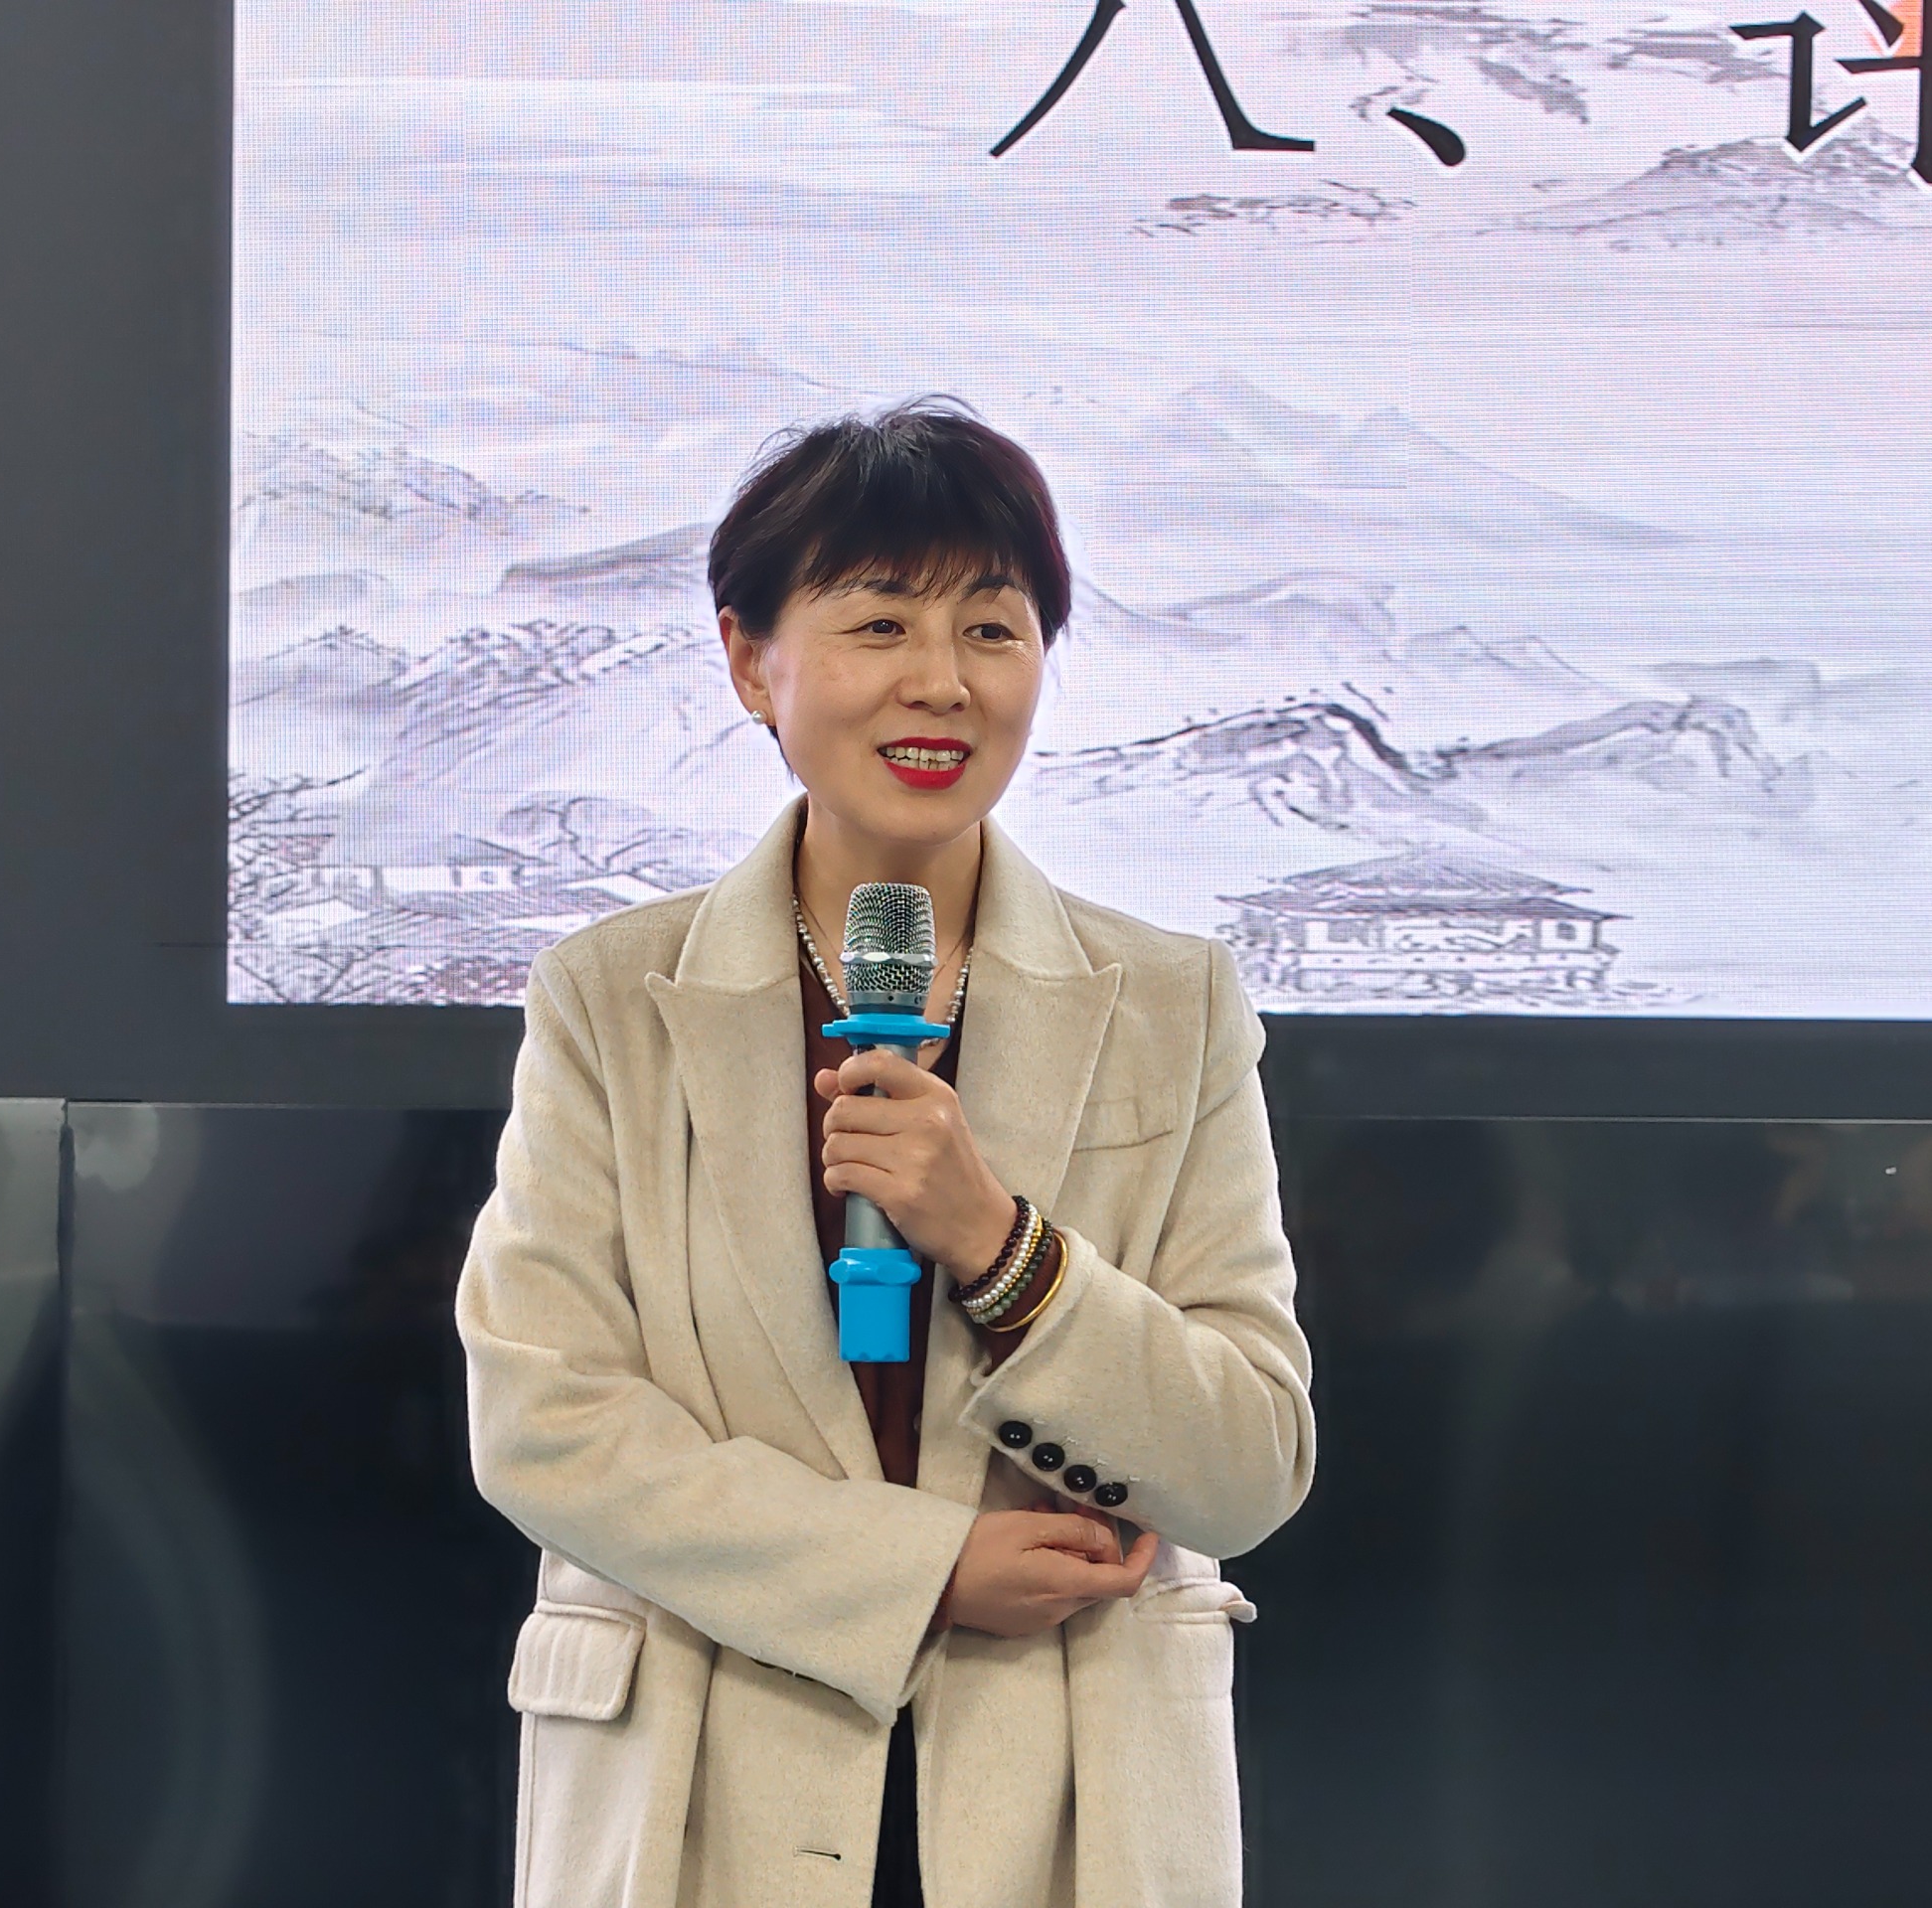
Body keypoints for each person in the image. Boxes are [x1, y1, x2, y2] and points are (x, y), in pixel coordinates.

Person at [456, 398, 1314, 1908]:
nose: (942, 681)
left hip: (1073, 1783)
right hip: (708, 1773)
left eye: (992, 628)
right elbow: (547, 1417)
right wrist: (922, 1572)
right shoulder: (609, 997)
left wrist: (1000, 1244)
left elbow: (1249, 1464)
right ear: (750, 661)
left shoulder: (1174, 1005)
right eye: (878, 624)